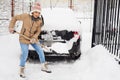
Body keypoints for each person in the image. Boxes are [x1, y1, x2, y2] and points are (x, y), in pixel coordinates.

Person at [9, 2, 51, 78]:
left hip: (33, 38)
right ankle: (21, 69)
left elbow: (38, 31)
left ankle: (43, 66)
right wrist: (11, 27)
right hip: (23, 38)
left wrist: (34, 38)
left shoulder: (39, 21)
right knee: (25, 53)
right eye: (35, 12)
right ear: (32, 12)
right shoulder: (25, 16)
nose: (37, 14)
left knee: (40, 51)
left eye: (38, 13)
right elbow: (15, 18)